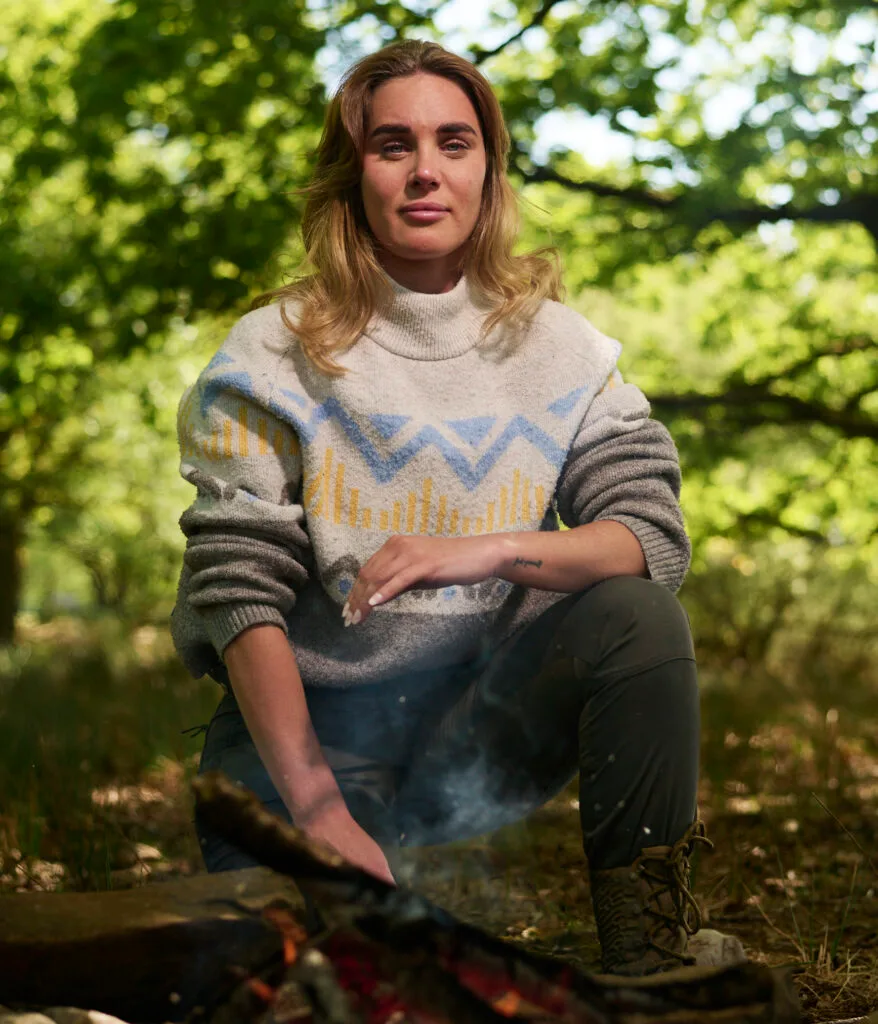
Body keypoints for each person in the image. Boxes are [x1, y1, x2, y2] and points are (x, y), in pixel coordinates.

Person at [170, 39, 744, 977]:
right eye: (392, 145)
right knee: (312, 984)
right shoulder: (269, 353)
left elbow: (646, 539)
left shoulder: (564, 351)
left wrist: (475, 550)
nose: (426, 170)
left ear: (490, 169)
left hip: (474, 734)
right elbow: (239, 591)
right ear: (351, 174)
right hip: (301, 754)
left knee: (638, 615)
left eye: (455, 142)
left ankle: (654, 950)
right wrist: (318, 813)